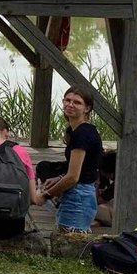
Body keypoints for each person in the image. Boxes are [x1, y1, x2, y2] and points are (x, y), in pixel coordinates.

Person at [41, 87, 103, 234]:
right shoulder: (82, 130)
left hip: (78, 196)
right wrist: (59, 178)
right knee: (71, 242)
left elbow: (73, 178)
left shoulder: (81, 134)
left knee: (68, 243)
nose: (70, 104)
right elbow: (85, 168)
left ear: (87, 108)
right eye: (67, 100)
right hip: (83, 192)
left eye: (77, 102)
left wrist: (46, 195)